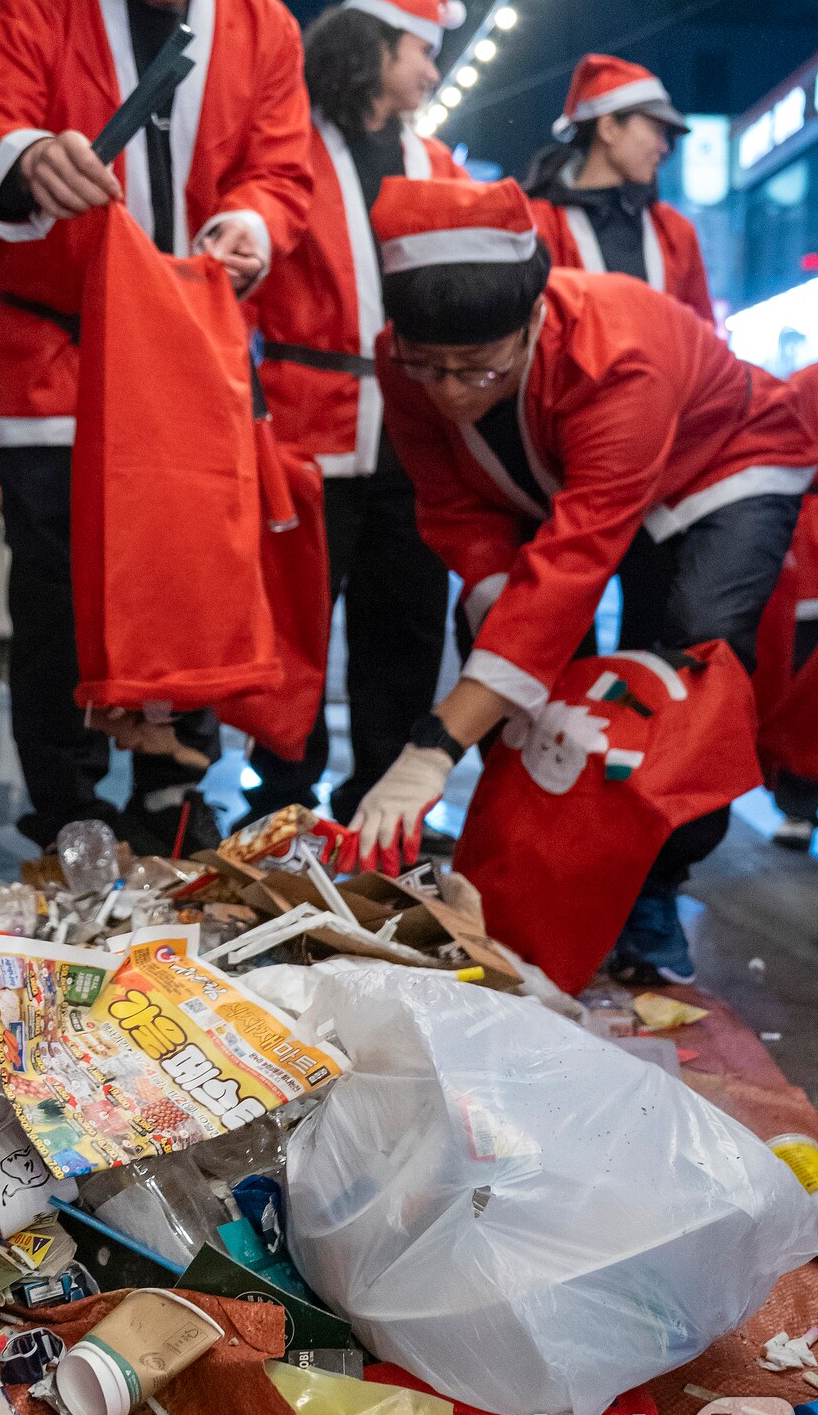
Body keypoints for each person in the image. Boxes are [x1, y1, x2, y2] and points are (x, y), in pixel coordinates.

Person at [0, 0, 313, 855]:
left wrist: (252, 223)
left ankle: (174, 787)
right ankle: (65, 802)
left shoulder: (265, 28)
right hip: (59, 350)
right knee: (56, 585)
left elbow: (278, 172)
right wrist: (24, 156)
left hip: (187, 353)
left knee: (194, 563)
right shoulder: (32, 2)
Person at [346, 176, 816, 985]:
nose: (452, 393)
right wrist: (496, 602)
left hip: (719, 464)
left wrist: (433, 745)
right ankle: (523, 871)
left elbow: (574, 561)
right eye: (432, 368)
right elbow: (454, 503)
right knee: (495, 634)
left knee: (688, 667)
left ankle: (653, 884)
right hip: (558, 485)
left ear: (533, 320)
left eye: (479, 369)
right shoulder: (403, 360)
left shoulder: (617, 351)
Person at [242, 0, 465, 826]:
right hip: (307, 425)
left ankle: (382, 813)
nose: (432, 68)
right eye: (421, 50)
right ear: (376, 48)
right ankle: (283, 804)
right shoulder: (291, 147)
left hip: (410, 432)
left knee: (407, 626)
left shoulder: (439, 162)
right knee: (295, 624)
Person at [523, 54, 712, 323]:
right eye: (655, 129)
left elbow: (703, 342)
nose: (664, 147)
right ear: (609, 128)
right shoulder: (538, 225)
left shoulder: (676, 232)